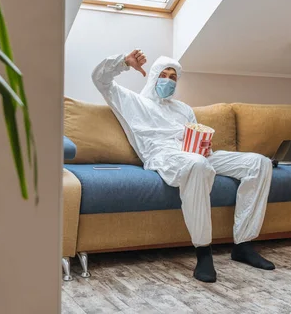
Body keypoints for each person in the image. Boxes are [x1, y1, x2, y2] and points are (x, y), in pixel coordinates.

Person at [92, 49, 275, 283]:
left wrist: (204, 147)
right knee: (198, 166)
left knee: (259, 163)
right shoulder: (132, 101)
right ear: (154, 76)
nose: (168, 80)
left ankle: (244, 245)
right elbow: (100, 79)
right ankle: (203, 252)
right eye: (164, 75)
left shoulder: (183, 109)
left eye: (173, 77)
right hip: (164, 156)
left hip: (195, 154)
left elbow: (194, 139)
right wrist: (123, 63)